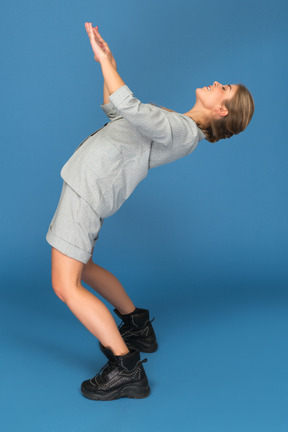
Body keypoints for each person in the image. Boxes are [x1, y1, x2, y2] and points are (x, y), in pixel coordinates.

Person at [46, 22, 255, 401]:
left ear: (222, 109)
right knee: (84, 266)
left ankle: (125, 368)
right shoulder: (177, 123)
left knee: (66, 286)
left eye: (223, 88)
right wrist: (107, 65)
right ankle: (136, 324)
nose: (216, 82)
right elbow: (117, 111)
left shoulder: (183, 131)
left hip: (87, 191)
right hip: (89, 188)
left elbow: (128, 105)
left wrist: (106, 61)